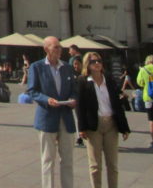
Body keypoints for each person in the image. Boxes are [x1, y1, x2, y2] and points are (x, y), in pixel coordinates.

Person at [27, 35, 77, 188]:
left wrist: (73, 99)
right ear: (46, 49)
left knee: (67, 159)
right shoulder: (37, 67)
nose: (59, 50)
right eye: (56, 47)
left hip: (66, 116)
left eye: (60, 47)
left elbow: (74, 89)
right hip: (47, 117)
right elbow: (32, 91)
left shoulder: (67, 67)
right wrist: (46, 100)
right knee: (48, 159)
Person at [77, 51, 130, 188]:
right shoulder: (83, 81)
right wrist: (82, 128)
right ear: (87, 64)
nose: (97, 64)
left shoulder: (109, 79)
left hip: (111, 123)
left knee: (112, 164)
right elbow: (80, 106)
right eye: (93, 61)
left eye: (99, 61)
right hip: (94, 125)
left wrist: (124, 127)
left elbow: (117, 104)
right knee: (95, 165)